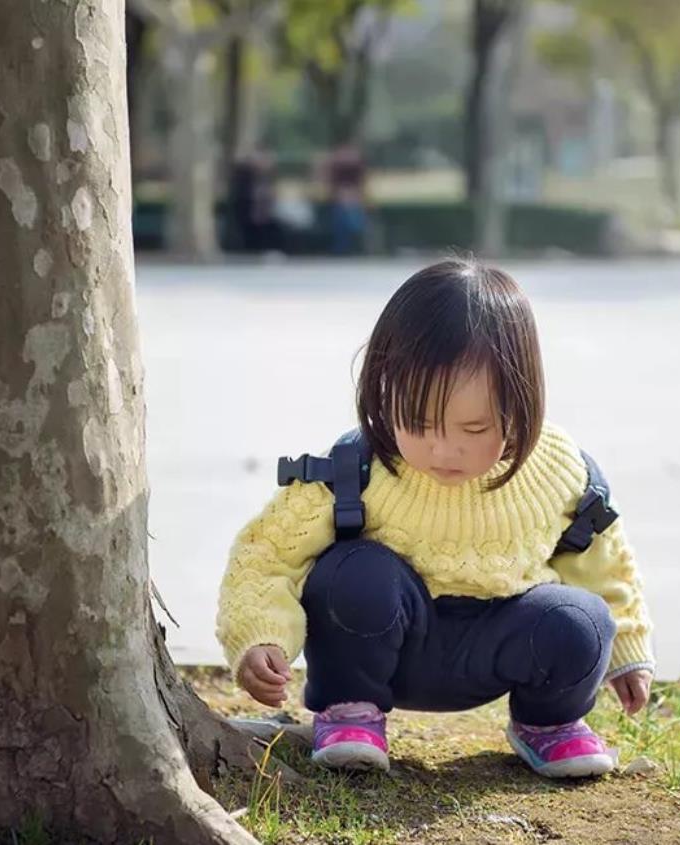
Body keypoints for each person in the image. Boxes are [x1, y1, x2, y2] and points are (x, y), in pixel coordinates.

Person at [215, 258, 656, 778]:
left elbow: (605, 567)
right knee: (354, 574)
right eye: (419, 422)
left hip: (499, 647)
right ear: (384, 389)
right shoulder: (357, 468)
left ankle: (549, 725)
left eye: (474, 428)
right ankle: (349, 712)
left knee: (580, 619)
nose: (444, 450)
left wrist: (629, 652)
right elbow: (268, 555)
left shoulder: (561, 470)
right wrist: (260, 636)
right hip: (383, 646)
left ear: (522, 402)